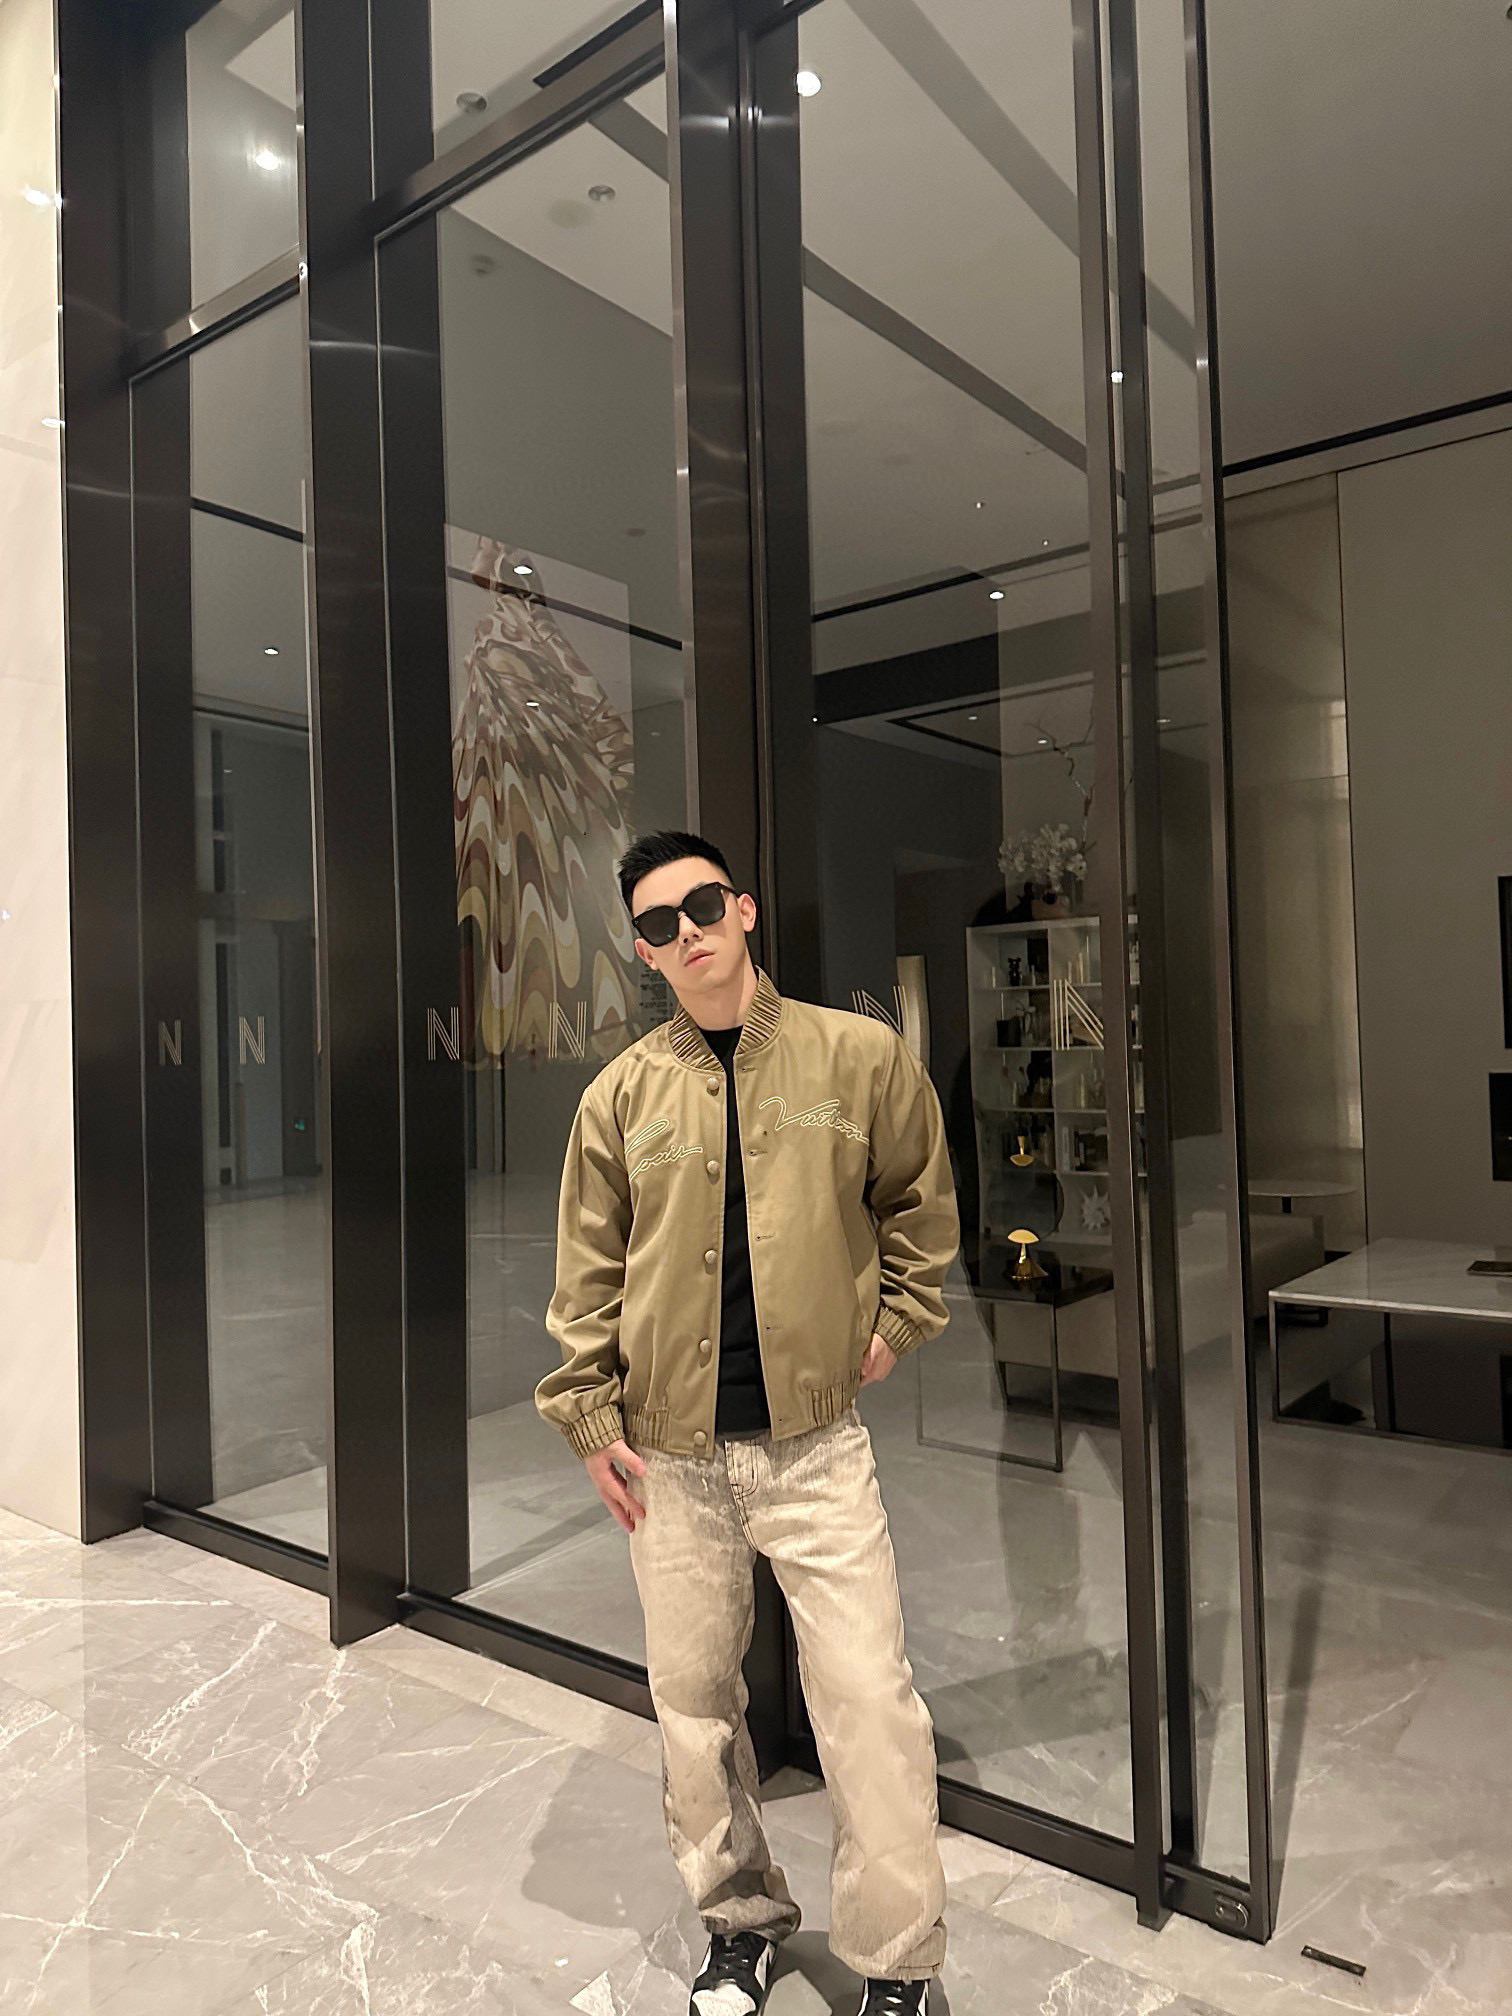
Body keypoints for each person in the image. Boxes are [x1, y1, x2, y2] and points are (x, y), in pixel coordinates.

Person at [538, 829, 960, 2016]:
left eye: (703, 906)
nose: (687, 933)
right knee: (693, 1711)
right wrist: (589, 1418)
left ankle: (896, 1960)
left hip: (815, 1451)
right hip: (671, 1460)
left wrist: (897, 1322)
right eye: (658, 924)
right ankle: (737, 1924)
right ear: (641, 949)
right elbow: (589, 1273)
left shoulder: (856, 1057)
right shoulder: (622, 1095)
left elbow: (921, 1206)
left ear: (746, 909)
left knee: (869, 1702)